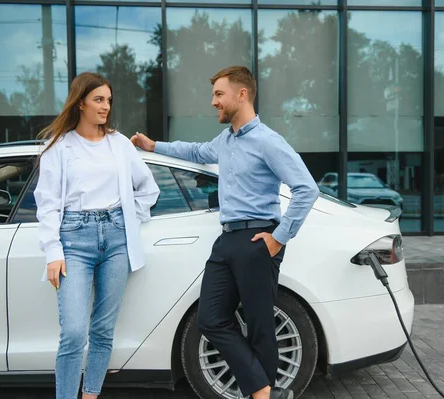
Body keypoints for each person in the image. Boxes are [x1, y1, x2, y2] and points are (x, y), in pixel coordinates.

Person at [131, 65, 319, 399]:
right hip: (228, 239)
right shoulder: (226, 140)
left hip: (259, 238)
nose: (213, 102)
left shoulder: (268, 142)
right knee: (211, 318)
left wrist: (279, 238)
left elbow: (306, 189)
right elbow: (194, 152)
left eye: (219, 94)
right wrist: (153, 145)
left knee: (261, 325)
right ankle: (265, 391)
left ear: (241, 94)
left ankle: (262, 395)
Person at [34, 72, 160, 399]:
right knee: (74, 332)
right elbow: (46, 204)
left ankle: (90, 395)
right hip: (74, 240)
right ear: (80, 103)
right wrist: (52, 251)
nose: (106, 107)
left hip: (117, 240)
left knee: (103, 330)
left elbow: (148, 189)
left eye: (108, 100)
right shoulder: (58, 147)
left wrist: (127, 219)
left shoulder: (118, 144)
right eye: (98, 100)